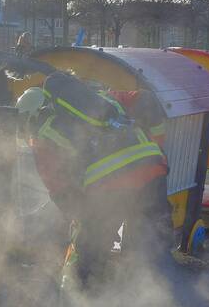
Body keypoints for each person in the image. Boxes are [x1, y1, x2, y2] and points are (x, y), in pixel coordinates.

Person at [16, 73, 174, 292]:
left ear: (28, 118)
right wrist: (154, 145)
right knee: (154, 235)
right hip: (152, 168)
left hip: (109, 184)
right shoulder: (101, 100)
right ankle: (164, 293)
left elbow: (59, 188)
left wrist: (79, 218)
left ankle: (85, 304)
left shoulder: (42, 135)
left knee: (89, 254)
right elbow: (146, 100)